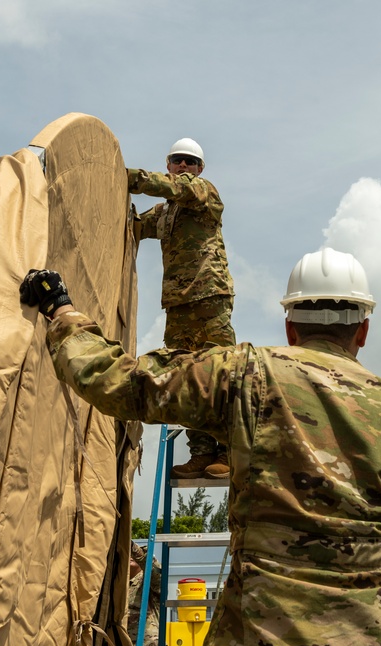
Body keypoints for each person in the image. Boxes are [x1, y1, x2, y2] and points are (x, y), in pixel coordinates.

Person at [19, 248, 381, 646]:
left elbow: (120, 383)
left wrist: (61, 311)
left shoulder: (245, 374)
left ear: (290, 326)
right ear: (363, 330)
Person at [129, 137, 235, 480]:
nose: (185, 166)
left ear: (200, 168)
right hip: (178, 305)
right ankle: (201, 454)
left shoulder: (203, 191)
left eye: (191, 161)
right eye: (178, 160)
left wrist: (130, 178)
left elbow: (174, 187)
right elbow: (134, 227)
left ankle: (228, 451)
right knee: (186, 378)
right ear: (169, 162)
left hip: (209, 297)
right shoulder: (164, 213)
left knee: (218, 375)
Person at [125, 541, 161, 646]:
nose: (131, 556)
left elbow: (155, 570)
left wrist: (133, 548)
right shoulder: (119, 584)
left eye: (133, 554)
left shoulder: (149, 581)